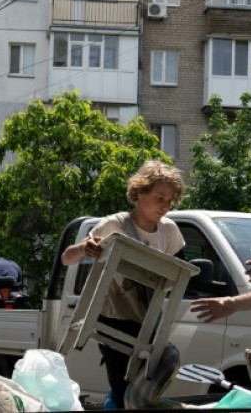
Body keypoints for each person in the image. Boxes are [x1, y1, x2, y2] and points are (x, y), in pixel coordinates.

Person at [61, 160, 186, 409]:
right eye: (160, 197)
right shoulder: (114, 224)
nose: (165, 206)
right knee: (122, 386)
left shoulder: (169, 231)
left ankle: (114, 402)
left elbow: (181, 272)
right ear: (139, 192)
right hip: (112, 316)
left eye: (169, 201)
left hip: (149, 321)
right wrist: (84, 248)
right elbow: (67, 258)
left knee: (140, 385)